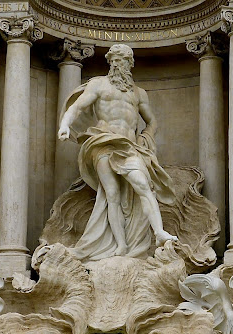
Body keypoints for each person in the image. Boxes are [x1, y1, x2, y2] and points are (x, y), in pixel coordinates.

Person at [58, 44, 177, 262]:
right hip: (103, 142)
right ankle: (121, 245)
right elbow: (77, 108)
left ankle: (159, 232)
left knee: (143, 184)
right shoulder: (98, 85)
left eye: (121, 60)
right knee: (111, 194)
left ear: (129, 63)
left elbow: (152, 121)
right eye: (113, 60)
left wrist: (146, 135)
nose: (116, 63)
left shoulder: (138, 93)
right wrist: (65, 124)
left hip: (129, 146)